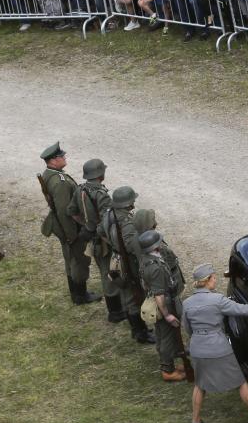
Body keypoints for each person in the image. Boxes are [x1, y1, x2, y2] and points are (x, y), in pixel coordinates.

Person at [182, 263, 248, 423]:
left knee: (200, 384)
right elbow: (243, 310)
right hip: (218, 346)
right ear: (207, 280)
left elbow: (187, 328)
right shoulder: (217, 300)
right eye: (214, 277)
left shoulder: (187, 303)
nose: (216, 279)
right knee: (240, 382)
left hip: (198, 347)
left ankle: (195, 422)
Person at [39, 142, 99, 305]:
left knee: (70, 258)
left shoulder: (50, 174)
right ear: (52, 160)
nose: (64, 157)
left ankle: (76, 292)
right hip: (69, 228)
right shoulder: (60, 182)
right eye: (61, 156)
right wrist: (72, 235)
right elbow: (65, 212)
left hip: (62, 226)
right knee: (78, 260)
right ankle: (80, 295)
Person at [67, 158, 125, 322]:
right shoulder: (102, 195)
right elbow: (107, 222)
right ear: (100, 174)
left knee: (106, 270)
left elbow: (71, 211)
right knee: (109, 273)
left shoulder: (81, 190)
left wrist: (85, 224)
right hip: (103, 241)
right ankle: (115, 312)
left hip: (92, 238)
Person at [105, 186, 155, 344]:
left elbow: (100, 231)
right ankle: (140, 333)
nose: (134, 203)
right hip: (127, 263)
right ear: (128, 203)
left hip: (115, 258)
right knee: (133, 295)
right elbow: (132, 246)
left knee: (128, 294)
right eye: (132, 200)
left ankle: (138, 329)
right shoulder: (126, 223)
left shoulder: (109, 214)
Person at [137, 230, 187, 382]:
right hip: (164, 303)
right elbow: (159, 295)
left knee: (162, 335)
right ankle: (168, 370)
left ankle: (170, 362)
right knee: (166, 337)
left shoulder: (147, 258)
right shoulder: (155, 268)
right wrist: (168, 315)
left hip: (163, 298)